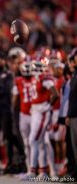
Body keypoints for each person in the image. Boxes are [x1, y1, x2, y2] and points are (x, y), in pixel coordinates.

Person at [20, 56, 59, 180]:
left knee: (33, 140)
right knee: (40, 142)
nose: (32, 68)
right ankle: (43, 172)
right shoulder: (35, 78)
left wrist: (48, 106)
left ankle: (33, 171)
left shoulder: (44, 78)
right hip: (35, 111)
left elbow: (55, 94)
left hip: (42, 112)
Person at [12, 59, 35, 172]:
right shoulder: (18, 80)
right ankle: (29, 169)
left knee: (34, 142)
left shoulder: (37, 79)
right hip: (24, 114)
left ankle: (40, 169)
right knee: (26, 143)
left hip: (35, 113)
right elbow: (15, 99)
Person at [67, 48, 77, 180]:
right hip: (73, 114)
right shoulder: (74, 75)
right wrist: (68, 114)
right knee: (75, 146)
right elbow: (72, 97)